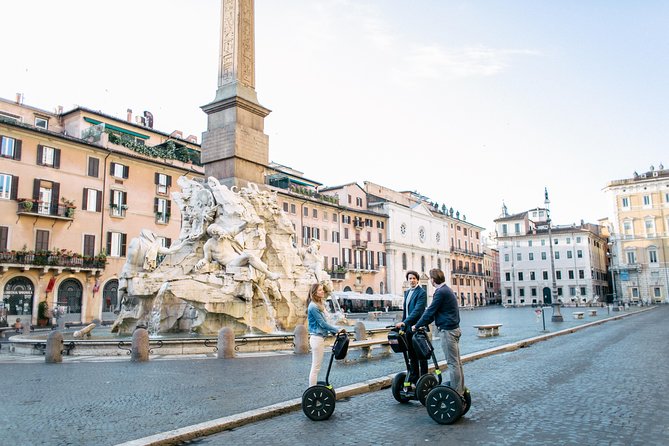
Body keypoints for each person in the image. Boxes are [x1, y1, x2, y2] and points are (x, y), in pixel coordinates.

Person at [413, 268, 464, 397]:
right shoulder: (447, 290)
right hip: (454, 329)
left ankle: (457, 393)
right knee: (457, 362)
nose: (430, 280)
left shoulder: (440, 292)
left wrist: (416, 325)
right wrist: (423, 322)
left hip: (448, 331)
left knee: (452, 363)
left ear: (433, 279)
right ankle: (460, 389)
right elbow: (434, 313)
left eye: (430, 278)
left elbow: (430, 311)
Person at [307, 283, 346, 386]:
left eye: (322, 289)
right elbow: (322, 324)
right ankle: (312, 390)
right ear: (315, 293)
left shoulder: (320, 305)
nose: (323, 291)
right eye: (320, 290)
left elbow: (327, 321)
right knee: (315, 368)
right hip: (316, 339)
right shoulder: (313, 307)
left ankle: (313, 389)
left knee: (316, 367)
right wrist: (336, 330)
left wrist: (333, 331)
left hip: (319, 338)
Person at [395, 270, 428, 390]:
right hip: (408, 328)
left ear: (418, 280)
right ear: (407, 280)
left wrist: (404, 322)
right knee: (412, 355)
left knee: (422, 355)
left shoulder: (422, 292)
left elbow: (418, 311)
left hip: (418, 328)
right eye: (410, 278)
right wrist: (403, 325)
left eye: (414, 278)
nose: (412, 280)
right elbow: (406, 311)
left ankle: (423, 379)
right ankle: (414, 379)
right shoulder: (407, 292)